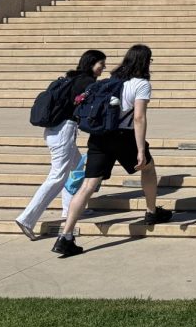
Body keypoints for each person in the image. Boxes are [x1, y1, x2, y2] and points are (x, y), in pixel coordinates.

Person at [52, 44, 172, 257]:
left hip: (99, 136)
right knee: (148, 169)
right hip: (123, 137)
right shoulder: (141, 84)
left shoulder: (111, 81)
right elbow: (138, 117)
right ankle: (151, 211)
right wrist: (141, 149)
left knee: (88, 185)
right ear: (145, 62)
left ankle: (66, 235)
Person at [15, 50, 106, 240]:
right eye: (101, 64)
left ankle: (69, 210)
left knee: (77, 168)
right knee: (58, 176)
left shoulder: (73, 77)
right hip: (64, 131)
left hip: (55, 130)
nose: (103, 67)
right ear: (91, 64)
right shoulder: (87, 83)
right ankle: (27, 218)